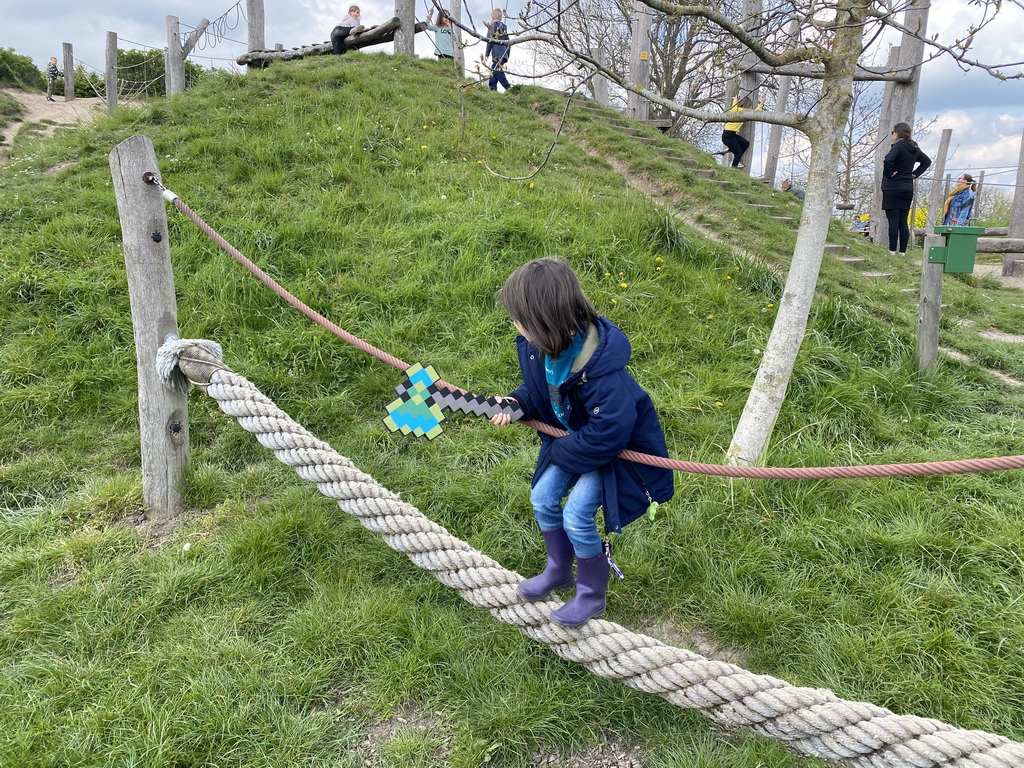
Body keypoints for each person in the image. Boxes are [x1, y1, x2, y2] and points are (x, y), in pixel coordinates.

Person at [489, 258, 674, 628]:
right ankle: (559, 569)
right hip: (577, 440)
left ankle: (591, 593)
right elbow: (542, 390)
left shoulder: (603, 375)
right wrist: (518, 403)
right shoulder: (538, 348)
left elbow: (610, 432)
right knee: (541, 498)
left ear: (545, 323)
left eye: (520, 319)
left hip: (611, 453)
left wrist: (559, 451)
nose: (515, 325)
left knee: (576, 515)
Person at [881, 121, 931, 254]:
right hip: (907, 187)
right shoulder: (914, 147)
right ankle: (902, 252)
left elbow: (887, 160)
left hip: (893, 187)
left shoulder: (898, 146)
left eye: (893, 132)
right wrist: (915, 174)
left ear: (897, 133)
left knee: (893, 220)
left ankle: (892, 251)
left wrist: (889, 174)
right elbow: (927, 161)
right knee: (903, 221)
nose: (892, 135)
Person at [720, 95, 764, 169]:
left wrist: (736, 98)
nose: (750, 108)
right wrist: (761, 103)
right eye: (749, 106)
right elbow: (755, 113)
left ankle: (731, 149)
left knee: (745, 143)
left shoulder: (734, 108)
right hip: (728, 135)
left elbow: (734, 103)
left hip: (730, 134)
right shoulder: (744, 112)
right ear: (746, 105)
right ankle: (733, 168)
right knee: (738, 153)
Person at [484, 8, 510, 91]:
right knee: (494, 71)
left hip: (497, 55)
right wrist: (507, 55)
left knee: (498, 72)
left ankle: (508, 87)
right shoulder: (504, 29)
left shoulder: (492, 27)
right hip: (504, 54)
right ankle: (492, 89)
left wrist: (487, 53)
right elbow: (508, 43)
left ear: (493, 18)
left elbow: (489, 41)